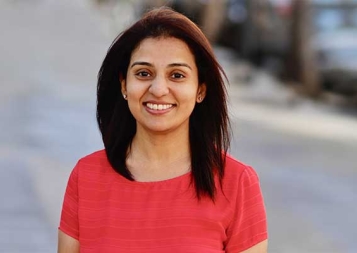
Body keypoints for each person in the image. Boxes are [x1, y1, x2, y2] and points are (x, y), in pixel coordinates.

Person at [58, 7, 268, 253]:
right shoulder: (86, 177)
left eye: (177, 75)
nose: (158, 88)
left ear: (200, 89)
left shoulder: (236, 183)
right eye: (144, 73)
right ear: (124, 85)